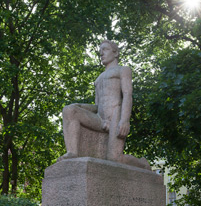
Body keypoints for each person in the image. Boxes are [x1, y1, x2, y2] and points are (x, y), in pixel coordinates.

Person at [58, 40, 150, 170]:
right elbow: (97, 106)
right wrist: (78, 106)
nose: (101, 53)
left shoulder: (123, 70)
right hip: (100, 118)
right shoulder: (98, 79)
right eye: (100, 51)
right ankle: (72, 152)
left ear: (115, 52)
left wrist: (124, 120)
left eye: (105, 49)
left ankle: (142, 163)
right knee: (69, 110)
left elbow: (127, 95)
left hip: (115, 115)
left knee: (114, 158)